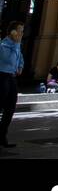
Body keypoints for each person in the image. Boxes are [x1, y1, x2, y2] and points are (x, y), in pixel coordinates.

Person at [0, 21, 23, 150]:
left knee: (10, 108)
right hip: (2, 76)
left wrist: (20, 66)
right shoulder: (4, 44)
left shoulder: (16, 45)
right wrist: (17, 44)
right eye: (20, 30)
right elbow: (8, 59)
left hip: (12, 77)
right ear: (12, 32)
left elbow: (20, 57)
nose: (21, 33)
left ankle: (2, 135)